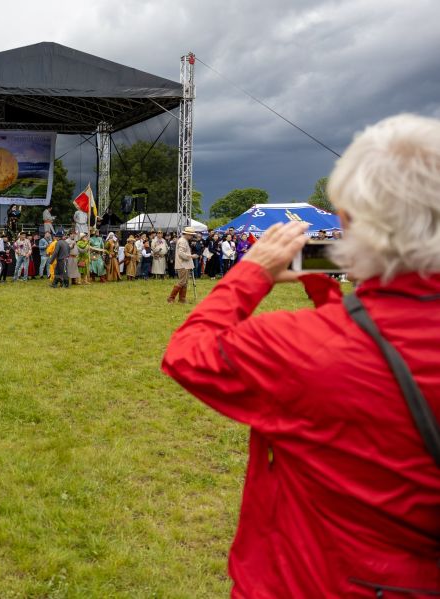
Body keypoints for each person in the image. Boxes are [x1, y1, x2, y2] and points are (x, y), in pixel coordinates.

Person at [162, 114, 440, 596]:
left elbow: (189, 354)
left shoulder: (306, 346)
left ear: (351, 222)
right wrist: (327, 291)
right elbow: (379, 341)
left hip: (316, 578)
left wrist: (251, 274)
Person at [166, 227, 198, 304]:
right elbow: (181, 253)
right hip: (183, 264)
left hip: (184, 264)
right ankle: (171, 298)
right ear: (186, 234)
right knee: (182, 282)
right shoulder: (183, 241)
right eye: (191, 235)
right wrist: (191, 256)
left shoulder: (184, 240)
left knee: (184, 282)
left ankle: (182, 299)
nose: (191, 236)